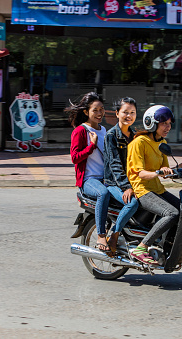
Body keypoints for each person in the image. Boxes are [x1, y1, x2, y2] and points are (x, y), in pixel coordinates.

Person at [126, 105, 182, 265]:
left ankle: (170, 247)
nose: (168, 127)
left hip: (158, 189)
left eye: (169, 123)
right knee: (171, 213)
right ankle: (141, 247)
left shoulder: (162, 143)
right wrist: (157, 173)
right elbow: (140, 173)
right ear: (152, 124)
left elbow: (168, 170)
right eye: (164, 123)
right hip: (142, 190)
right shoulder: (139, 143)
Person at [67, 92, 123, 254]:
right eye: (95, 110)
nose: (99, 113)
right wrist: (91, 145)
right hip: (88, 180)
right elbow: (75, 158)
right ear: (86, 112)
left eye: (102, 109)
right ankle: (100, 236)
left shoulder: (104, 129)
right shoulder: (80, 131)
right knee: (103, 194)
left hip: (105, 178)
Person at [103, 97, 139, 253]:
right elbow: (115, 164)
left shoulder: (136, 136)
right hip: (113, 183)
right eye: (125, 112)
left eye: (132, 112)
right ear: (117, 113)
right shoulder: (111, 136)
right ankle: (114, 235)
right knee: (133, 203)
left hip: (132, 182)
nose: (128, 116)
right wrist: (126, 187)